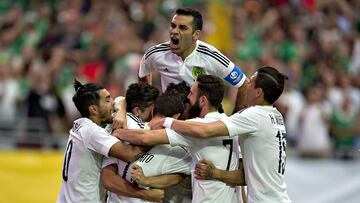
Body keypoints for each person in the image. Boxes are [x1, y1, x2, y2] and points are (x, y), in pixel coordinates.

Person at [149, 66, 292, 203]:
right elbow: (246, 176)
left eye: (250, 82)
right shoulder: (276, 116)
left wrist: (168, 121)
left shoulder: (254, 115)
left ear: (258, 92)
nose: (246, 86)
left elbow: (204, 130)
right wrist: (217, 173)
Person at [114, 75, 241, 203]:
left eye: (191, 93)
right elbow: (243, 177)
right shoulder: (233, 125)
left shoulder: (193, 129)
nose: (188, 97)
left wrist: (118, 132)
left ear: (202, 100)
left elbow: (146, 138)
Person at [56, 80, 150, 203]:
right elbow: (130, 154)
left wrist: (121, 112)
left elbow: (121, 99)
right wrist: (156, 138)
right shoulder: (92, 132)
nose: (112, 103)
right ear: (94, 109)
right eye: (107, 100)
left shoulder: (82, 125)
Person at [138, 7, 247, 112]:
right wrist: (149, 107)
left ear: (196, 35)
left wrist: (236, 118)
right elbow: (144, 72)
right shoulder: (155, 53)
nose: (174, 31)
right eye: (173, 25)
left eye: (182, 28)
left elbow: (243, 83)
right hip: (170, 118)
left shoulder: (211, 56)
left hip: (202, 123)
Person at [101, 83, 164, 203]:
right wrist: (146, 194)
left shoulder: (118, 120)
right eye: (153, 109)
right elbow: (108, 179)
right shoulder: (139, 127)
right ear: (137, 111)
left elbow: (121, 99)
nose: (156, 112)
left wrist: (121, 106)